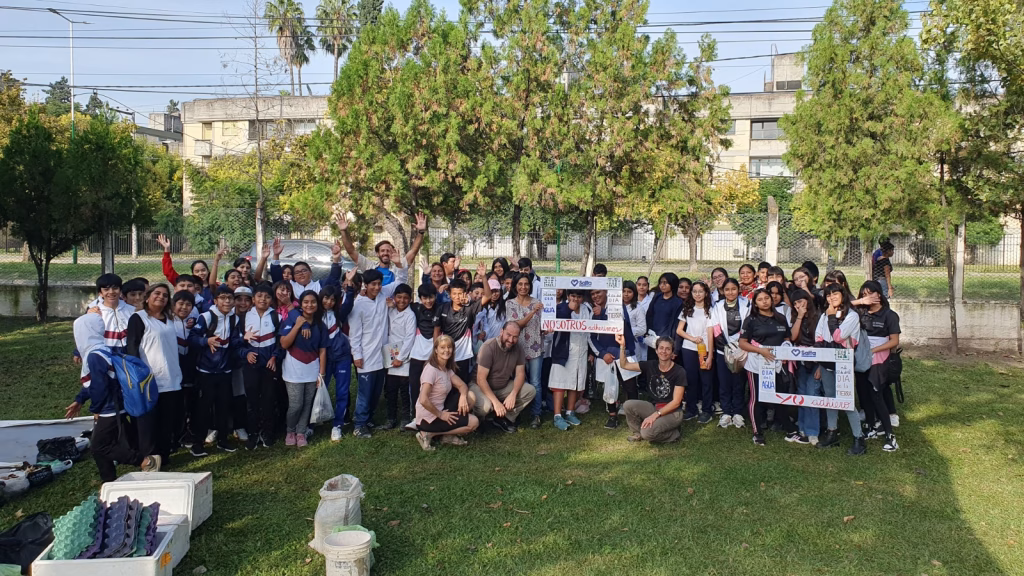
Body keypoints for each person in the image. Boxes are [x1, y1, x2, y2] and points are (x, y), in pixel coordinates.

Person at [66, 313, 160, 481]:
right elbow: (96, 382)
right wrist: (80, 399)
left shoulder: (94, 356)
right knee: (102, 445)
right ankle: (108, 481)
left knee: (99, 446)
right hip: (116, 405)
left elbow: (99, 386)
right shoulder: (104, 349)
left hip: (109, 408)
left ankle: (145, 461)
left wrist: (96, 408)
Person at [349, 266, 410, 439]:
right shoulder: (358, 304)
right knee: (365, 392)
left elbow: (400, 281)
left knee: (376, 392)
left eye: (379, 284)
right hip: (366, 355)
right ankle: (359, 424)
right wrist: (357, 355)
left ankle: (368, 418)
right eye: (373, 284)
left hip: (382, 355)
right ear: (365, 285)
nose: (376, 287)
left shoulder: (383, 295)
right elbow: (354, 333)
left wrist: (400, 265)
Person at [125, 283, 180, 464]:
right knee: (148, 423)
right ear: (147, 297)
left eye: (165, 295)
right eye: (157, 293)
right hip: (149, 379)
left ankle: (164, 455)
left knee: (166, 421)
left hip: (171, 377)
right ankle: (150, 459)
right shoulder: (139, 318)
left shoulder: (170, 319)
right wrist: (138, 375)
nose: (161, 297)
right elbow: (132, 347)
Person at [814, 284, 867, 455]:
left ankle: (859, 438)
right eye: (828, 295)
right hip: (826, 361)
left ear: (843, 295)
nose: (832, 297)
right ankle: (832, 432)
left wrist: (831, 318)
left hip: (844, 363)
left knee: (846, 400)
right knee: (830, 397)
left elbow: (838, 337)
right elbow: (818, 336)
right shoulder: (825, 315)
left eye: (835, 293)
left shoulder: (851, 316)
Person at [738, 288, 796, 446]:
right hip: (756, 364)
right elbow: (742, 343)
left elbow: (787, 338)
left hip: (777, 365)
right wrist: (760, 351)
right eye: (760, 299)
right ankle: (757, 433)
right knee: (756, 397)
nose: (764, 301)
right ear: (755, 303)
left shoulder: (781, 318)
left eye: (766, 298)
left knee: (780, 395)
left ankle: (789, 430)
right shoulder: (751, 320)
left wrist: (785, 350)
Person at [188, 285, 239, 456]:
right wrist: (206, 341)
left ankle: (223, 440)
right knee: (204, 408)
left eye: (230, 298)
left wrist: (243, 340)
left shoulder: (234, 319)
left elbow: (233, 341)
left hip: (225, 371)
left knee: (223, 406)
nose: (227, 301)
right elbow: (192, 337)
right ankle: (198, 443)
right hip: (206, 371)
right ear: (215, 301)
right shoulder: (206, 317)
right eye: (222, 298)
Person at [855, 281, 902, 451]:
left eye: (870, 293)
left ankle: (890, 436)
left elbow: (894, 341)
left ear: (879, 294)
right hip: (861, 357)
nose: (867, 297)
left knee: (876, 393)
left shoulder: (889, 315)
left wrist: (874, 350)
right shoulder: (860, 313)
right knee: (864, 392)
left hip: (879, 358)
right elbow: (840, 308)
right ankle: (871, 426)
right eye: (864, 294)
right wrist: (860, 302)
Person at [236, 283, 283, 450]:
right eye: (259, 296)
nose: (263, 299)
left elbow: (281, 342)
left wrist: (274, 357)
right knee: (252, 400)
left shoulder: (276, 317)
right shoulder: (243, 318)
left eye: (267, 297)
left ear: (272, 300)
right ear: (253, 299)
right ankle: (253, 433)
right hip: (251, 366)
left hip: (269, 365)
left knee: (269, 399)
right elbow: (236, 344)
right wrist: (246, 353)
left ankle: (267, 432)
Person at [616, 334, 686, 444]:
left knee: (647, 433)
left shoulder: (679, 372)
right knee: (628, 405)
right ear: (656, 350)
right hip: (655, 407)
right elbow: (624, 365)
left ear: (672, 353)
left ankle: (674, 434)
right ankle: (637, 433)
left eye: (668, 349)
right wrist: (622, 346)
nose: (664, 351)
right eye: (661, 348)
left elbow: (676, 402)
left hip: (673, 412)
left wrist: (655, 415)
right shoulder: (651, 365)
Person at [279, 290, 328, 447]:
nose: (309, 305)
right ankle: (290, 430)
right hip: (293, 370)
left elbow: (322, 350)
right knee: (296, 404)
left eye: (313, 302)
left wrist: (321, 373)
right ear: (300, 304)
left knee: (307, 404)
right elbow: (284, 344)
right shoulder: (291, 320)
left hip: (312, 370)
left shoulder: (320, 325)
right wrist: (298, 326)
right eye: (306, 302)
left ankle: (301, 432)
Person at [414, 335, 479, 451]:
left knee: (470, 396)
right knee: (474, 422)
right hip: (428, 417)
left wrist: (463, 396)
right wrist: (441, 415)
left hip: (442, 408)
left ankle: (446, 436)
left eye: (449, 347)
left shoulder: (446, 369)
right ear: (436, 350)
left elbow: (462, 385)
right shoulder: (431, 370)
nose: (446, 350)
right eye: (442, 347)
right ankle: (428, 433)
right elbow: (423, 399)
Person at [472, 321, 537, 432]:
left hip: (502, 386)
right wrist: (496, 402)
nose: (511, 340)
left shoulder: (518, 348)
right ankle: (479, 420)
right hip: (479, 386)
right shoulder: (488, 347)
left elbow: (520, 374)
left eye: (515, 337)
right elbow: (481, 379)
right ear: (501, 332)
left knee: (530, 391)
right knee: (486, 406)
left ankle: (503, 418)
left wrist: (513, 394)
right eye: (508, 335)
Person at [433, 263, 490, 380]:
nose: (457, 297)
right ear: (450, 294)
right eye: (454, 294)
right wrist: (436, 351)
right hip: (445, 354)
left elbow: (488, 296)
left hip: (463, 356)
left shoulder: (470, 308)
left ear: (466, 293)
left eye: (460, 294)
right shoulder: (442, 308)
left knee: (461, 385)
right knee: (444, 384)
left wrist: (484, 277)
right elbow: (436, 331)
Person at [338, 212, 427, 286]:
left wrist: (421, 232)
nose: (385, 253)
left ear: (392, 253)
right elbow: (351, 251)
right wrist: (343, 231)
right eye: (382, 251)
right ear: (377, 253)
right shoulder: (369, 266)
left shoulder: (398, 267)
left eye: (388, 251)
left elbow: (413, 251)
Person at [590, 290, 637, 429]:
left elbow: (620, 322)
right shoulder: (592, 312)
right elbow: (591, 337)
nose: (595, 296)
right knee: (609, 385)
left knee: (630, 386)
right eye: (592, 294)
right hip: (607, 355)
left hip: (624, 351)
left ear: (605, 292)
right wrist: (602, 353)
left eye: (598, 292)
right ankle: (612, 416)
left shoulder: (617, 305)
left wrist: (603, 313)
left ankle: (635, 414)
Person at [505, 273, 545, 428]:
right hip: (517, 348)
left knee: (536, 382)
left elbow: (542, 324)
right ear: (515, 286)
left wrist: (546, 329)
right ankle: (518, 412)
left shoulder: (538, 303)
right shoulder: (510, 304)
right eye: (520, 284)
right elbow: (516, 326)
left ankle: (536, 414)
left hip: (535, 348)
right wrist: (533, 312)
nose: (523, 287)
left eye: (526, 284)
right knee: (520, 381)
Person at [548, 291, 591, 431]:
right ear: (568, 297)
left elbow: (591, 330)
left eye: (579, 296)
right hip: (564, 351)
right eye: (573, 296)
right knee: (560, 383)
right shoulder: (560, 307)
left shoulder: (586, 309)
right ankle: (557, 415)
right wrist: (569, 309)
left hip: (581, 350)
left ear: (582, 298)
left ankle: (570, 412)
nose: (576, 299)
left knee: (574, 382)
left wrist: (591, 352)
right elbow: (557, 320)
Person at [710, 278, 750, 428]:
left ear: (738, 290)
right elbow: (715, 327)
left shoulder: (747, 304)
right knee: (724, 382)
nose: (730, 292)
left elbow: (748, 325)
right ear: (723, 291)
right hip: (723, 350)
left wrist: (739, 346)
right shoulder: (718, 306)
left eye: (733, 289)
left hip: (741, 350)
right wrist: (727, 347)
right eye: (727, 289)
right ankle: (726, 411)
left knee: (739, 382)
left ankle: (738, 412)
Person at [321, 280, 356, 441]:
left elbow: (348, 304)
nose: (329, 302)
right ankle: (312, 423)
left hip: (342, 357)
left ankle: (338, 425)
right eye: (326, 298)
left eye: (332, 299)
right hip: (323, 359)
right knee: (320, 389)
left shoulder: (338, 314)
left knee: (342, 391)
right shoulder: (315, 315)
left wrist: (350, 288)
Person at [677, 281, 715, 424]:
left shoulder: (710, 310)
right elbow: (679, 330)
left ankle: (707, 410)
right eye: (694, 291)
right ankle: (691, 409)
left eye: (700, 291)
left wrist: (710, 355)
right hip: (689, 349)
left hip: (704, 350)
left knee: (706, 381)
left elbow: (710, 333)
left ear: (706, 293)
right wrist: (692, 338)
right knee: (691, 380)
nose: (697, 294)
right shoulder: (687, 309)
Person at [789, 289, 821, 445]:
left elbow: (824, 342)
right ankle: (802, 427)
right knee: (801, 392)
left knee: (812, 393)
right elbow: (793, 337)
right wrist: (799, 317)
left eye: (801, 301)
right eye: (795, 303)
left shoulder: (819, 317)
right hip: (800, 361)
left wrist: (821, 366)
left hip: (817, 361)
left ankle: (812, 431)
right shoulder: (795, 318)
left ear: (808, 300)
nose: (798, 305)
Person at [406, 283, 440, 431]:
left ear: (435, 296)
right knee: (415, 386)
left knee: (432, 387)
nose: (428, 301)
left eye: (431, 297)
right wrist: (392, 304)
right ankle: (415, 416)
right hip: (417, 354)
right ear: (420, 298)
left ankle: (432, 416)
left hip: (434, 355)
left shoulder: (441, 309)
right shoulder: (416, 308)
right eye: (424, 298)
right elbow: (401, 303)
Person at [384, 283, 416, 429]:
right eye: (399, 297)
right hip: (390, 354)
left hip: (403, 357)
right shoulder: (390, 310)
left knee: (404, 390)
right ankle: (391, 418)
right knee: (390, 389)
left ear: (410, 299)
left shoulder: (410, 315)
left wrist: (401, 358)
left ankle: (405, 418)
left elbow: (410, 338)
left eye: (405, 298)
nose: (402, 300)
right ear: (394, 297)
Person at [268, 238, 344, 296]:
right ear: (294, 277)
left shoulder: (319, 285)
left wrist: (336, 259)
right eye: (297, 272)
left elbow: (333, 278)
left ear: (310, 272)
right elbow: (276, 276)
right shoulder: (289, 286)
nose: (301, 274)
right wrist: (276, 255)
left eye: (304, 271)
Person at [171, 290, 198, 449]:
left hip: (190, 368)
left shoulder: (194, 323)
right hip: (173, 368)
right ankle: (174, 436)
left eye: (188, 305)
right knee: (175, 404)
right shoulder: (167, 322)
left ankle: (187, 433)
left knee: (189, 402)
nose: (184, 307)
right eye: (180, 304)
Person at [157, 233, 214, 305]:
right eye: (197, 271)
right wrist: (167, 250)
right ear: (193, 273)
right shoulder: (184, 283)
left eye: (203, 270)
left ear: (208, 271)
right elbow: (168, 271)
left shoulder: (214, 285)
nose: (200, 273)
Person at [645, 272, 683, 361]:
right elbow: (649, 315)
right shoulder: (657, 297)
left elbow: (677, 325)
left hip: (667, 340)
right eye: (661, 282)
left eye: (665, 283)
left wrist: (676, 347)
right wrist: (647, 332)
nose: (662, 285)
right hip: (653, 338)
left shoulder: (678, 302)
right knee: (652, 364)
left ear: (672, 284)